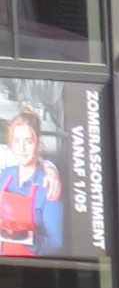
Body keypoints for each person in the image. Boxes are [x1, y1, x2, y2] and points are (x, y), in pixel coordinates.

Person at [0, 105, 64, 257]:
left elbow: (56, 244)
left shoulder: (48, 185)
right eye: (16, 141)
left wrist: (25, 237)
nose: (21, 148)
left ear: (37, 142)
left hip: (29, 267)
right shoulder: (5, 176)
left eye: (28, 141)